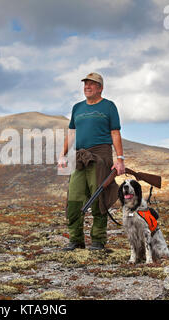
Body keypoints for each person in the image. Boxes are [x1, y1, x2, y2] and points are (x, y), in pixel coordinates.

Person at [58, 72, 125, 251]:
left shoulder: (109, 106)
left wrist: (120, 159)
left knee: (98, 199)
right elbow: (71, 133)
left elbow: (115, 133)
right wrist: (62, 155)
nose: (87, 87)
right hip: (80, 158)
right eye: (85, 84)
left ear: (100, 88)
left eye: (92, 84)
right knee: (73, 199)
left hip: (101, 156)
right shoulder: (77, 108)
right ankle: (76, 240)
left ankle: (98, 241)